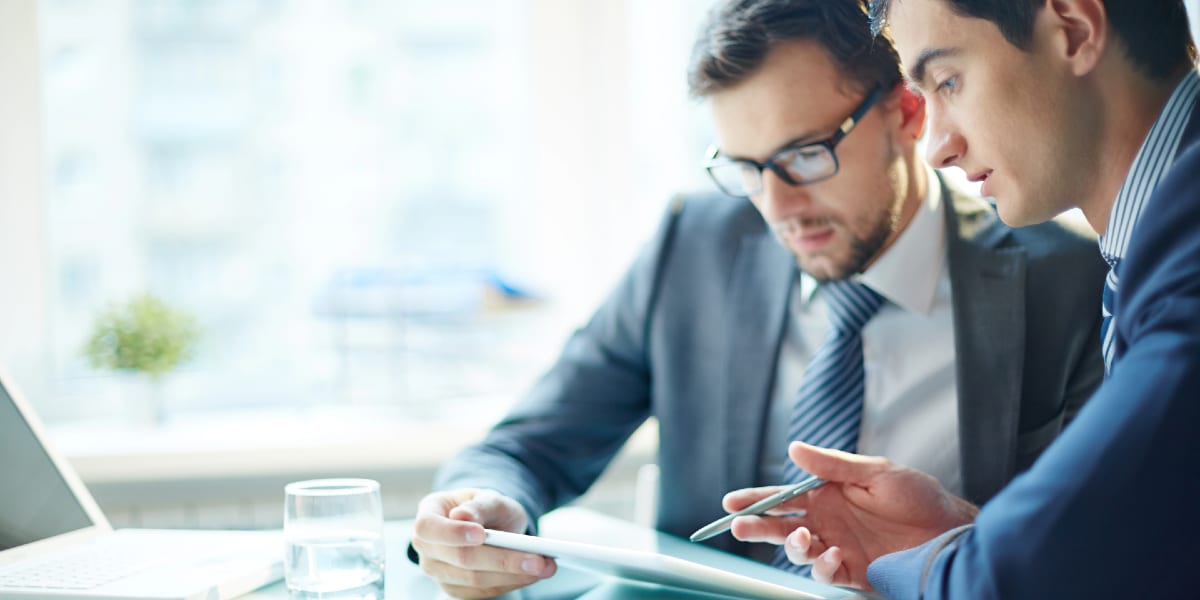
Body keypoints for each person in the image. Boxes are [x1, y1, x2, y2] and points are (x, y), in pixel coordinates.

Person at [409, 1, 1107, 597]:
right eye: (745, 169)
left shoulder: (1066, 284)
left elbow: (1095, 551)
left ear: (907, 111)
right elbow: (532, 443)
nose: (779, 209)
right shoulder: (696, 245)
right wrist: (479, 506)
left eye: (806, 156)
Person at [724, 0, 1200, 597]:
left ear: (1075, 29)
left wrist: (954, 561)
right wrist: (965, 536)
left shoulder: (1186, 254)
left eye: (948, 80)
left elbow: (1022, 576)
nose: (937, 147)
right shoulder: (1153, 243)